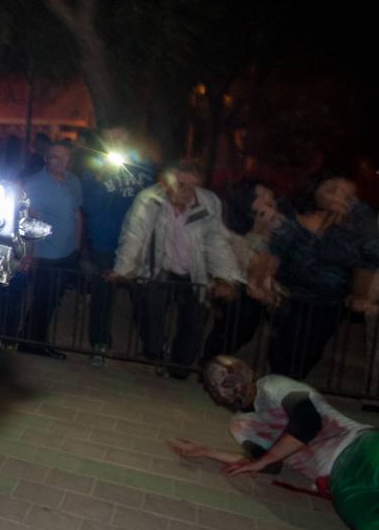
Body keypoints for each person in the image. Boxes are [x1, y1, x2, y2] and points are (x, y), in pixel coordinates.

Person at [170, 355, 377, 530]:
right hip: (338, 478)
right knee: (368, 523)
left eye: (231, 379)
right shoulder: (241, 425)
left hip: (359, 444)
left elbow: (307, 423)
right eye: (219, 386)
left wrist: (263, 461)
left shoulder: (274, 386)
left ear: (246, 373)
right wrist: (209, 452)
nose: (230, 388)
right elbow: (268, 464)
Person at [113, 161, 239, 376]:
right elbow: (134, 235)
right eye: (181, 184)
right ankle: (155, 352)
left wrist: (226, 277)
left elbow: (216, 240)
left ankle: (180, 366)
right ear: (166, 183)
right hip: (159, 267)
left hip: (195, 270)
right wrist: (123, 269)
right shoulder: (149, 200)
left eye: (192, 186)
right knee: (149, 314)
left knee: (194, 322)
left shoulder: (208, 202)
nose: (187, 191)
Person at [251, 172, 379, 379]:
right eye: (332, 190)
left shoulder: (356, 225)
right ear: (315, 191)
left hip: (328, 303)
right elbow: (271, 251)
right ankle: (279, 386)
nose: (340, 197)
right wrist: (260, 283)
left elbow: (366, 261)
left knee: (309, 354)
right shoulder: (291, 216)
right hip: (290, 298)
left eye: (347, 194)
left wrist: (360, 296)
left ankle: (286, 386)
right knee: (284, 353)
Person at [79, 127, 154, 365]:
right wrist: (100, 178)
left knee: (144, 295)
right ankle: (99, 344)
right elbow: (89, 207)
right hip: (105, 242)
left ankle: (153, 346)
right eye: (110, 138)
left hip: (137, 242)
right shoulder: (93, 169)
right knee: (103, 296)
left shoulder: (144, 167)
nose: (116, 142)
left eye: (120, 137)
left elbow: (153, 203)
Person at [201, 179, 280, 361]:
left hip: (252, 296)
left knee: (244, 334)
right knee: (227, 334)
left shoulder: (271, 228)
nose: (267, 200)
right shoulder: (226, 227)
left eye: (270, 197)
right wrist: (258, 232)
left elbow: (270, 262)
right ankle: (210, 364)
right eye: (260, 196)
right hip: (232, 291)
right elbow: (244, 260)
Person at [18, 140, 83, 358]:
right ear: (46, 158)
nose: (62, 161)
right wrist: (30, 253)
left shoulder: (73, 181)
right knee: (43, 301)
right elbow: (28, 222)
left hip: (68, 251)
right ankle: (33, 343)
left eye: (66, 157)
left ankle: (29, 340)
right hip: (46, 254)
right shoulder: (35, 184)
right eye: (56, 156)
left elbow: (76, 213)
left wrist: (78, 245)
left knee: (53, 301)